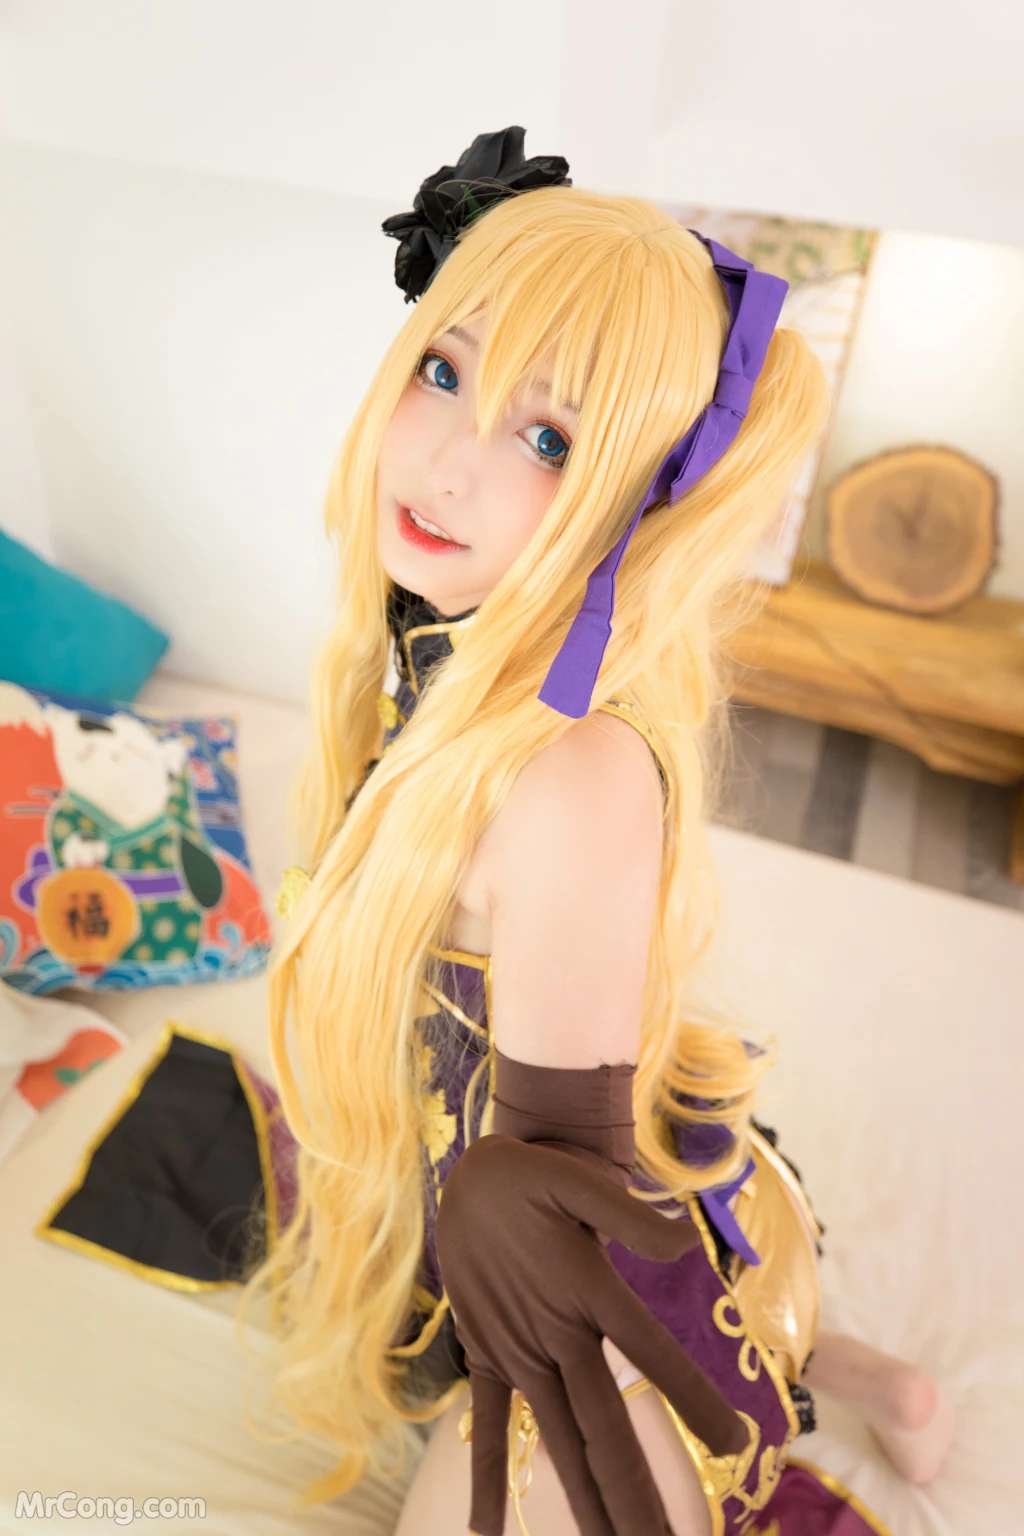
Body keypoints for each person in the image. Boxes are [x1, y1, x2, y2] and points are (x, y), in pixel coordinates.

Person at [239, 127, 953, 1535]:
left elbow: (570, 1178)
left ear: (635, 496)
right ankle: (868, 1370)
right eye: (446, 370)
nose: (449, 464)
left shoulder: (571, 772)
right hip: (486, 1194)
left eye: (549, 439)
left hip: (583, 1261)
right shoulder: (438, 639)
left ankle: (828, 1362)